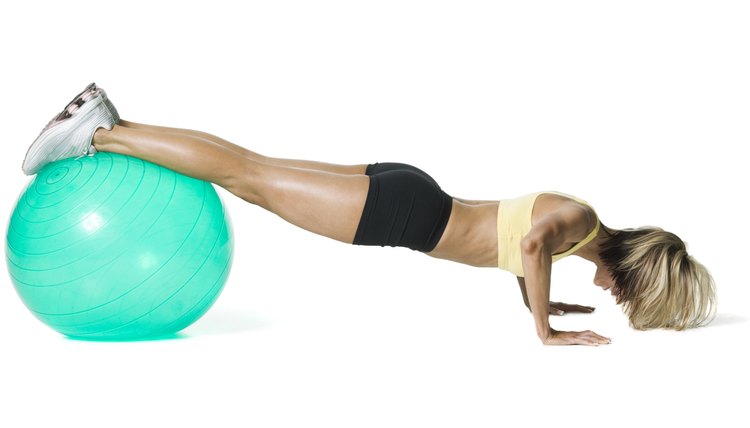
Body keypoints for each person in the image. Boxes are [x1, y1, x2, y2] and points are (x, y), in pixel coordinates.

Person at [21, 83, 717, 346]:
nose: (618, 300)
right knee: (250, 176)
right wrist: (543, 329)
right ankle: (101, 135)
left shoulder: (584, 233)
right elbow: (530, 244)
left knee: (253, 169)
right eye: (633, 298)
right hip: (406, 214)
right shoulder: (576, 225)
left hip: (409, 195)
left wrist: (544, 302)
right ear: (634, 275)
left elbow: (514, 247)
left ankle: (116, 123)